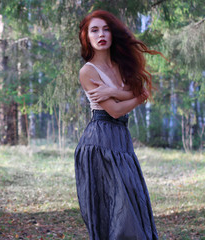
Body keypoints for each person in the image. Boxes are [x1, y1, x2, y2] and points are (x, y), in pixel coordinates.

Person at [75, 10, 161, 240]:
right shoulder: (88, 71)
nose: (101, 34)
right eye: (94, 30)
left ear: (113, 35)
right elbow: (114, 110)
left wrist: (115, 91)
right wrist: (137, 97)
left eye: (106, 29)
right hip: (99, 144)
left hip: (121, 140)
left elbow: (136, 93)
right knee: (117, 212)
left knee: (132, 201)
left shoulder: (121, 65)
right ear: (86, 37)